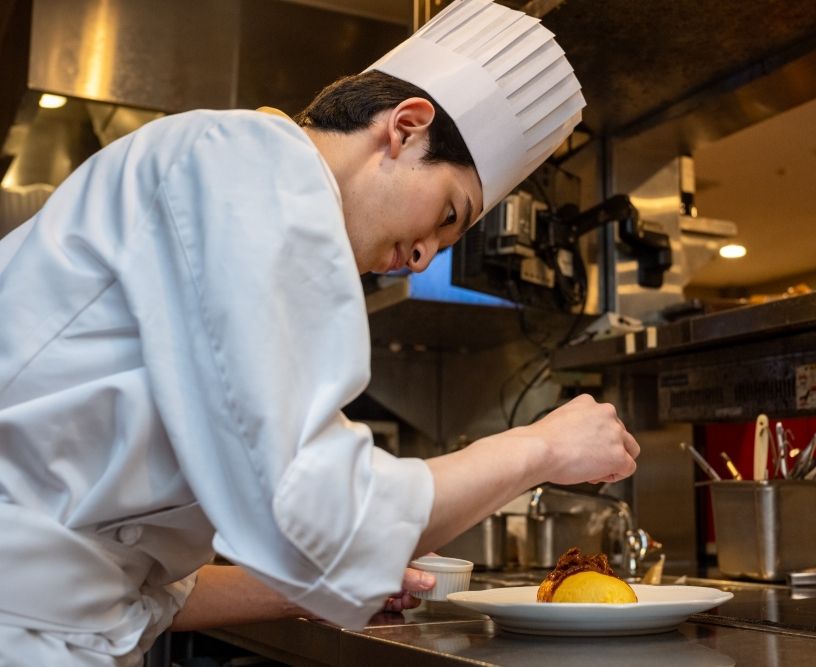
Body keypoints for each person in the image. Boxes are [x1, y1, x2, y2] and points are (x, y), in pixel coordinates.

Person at [0, 0, 640, 664]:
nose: (425, 256)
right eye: (448, 214)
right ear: (406, 127)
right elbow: (325, 515)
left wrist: (331, 584)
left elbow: (132, 588)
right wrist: (540, 447)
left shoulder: (240, 189)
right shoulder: (249, 162)